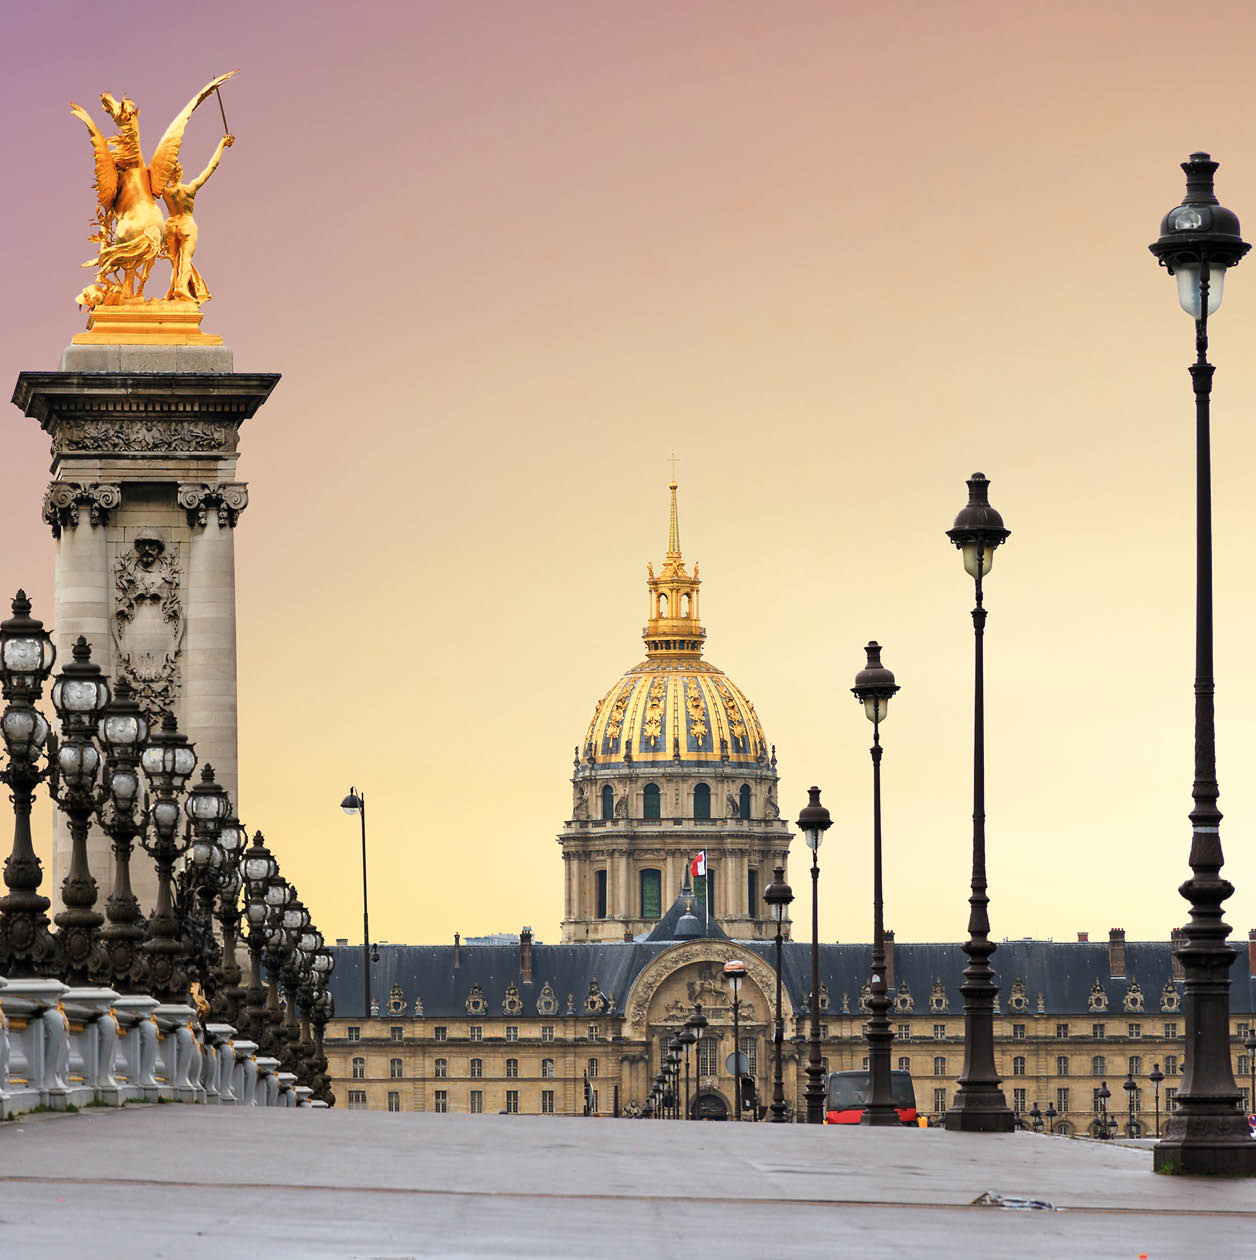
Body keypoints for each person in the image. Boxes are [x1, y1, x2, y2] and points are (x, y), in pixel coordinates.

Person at [161, 134, 234, 301]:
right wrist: (222, 144)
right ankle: (180, 288)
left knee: (175, 262)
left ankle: (173, 290)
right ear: (180, 173)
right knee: (185, 259)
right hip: (186, 225)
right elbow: (211, 167)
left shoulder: (166, 192)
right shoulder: (190, 189)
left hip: (171, 226)